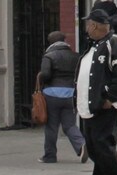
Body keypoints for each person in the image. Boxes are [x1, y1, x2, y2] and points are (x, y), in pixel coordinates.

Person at [76, 0, 117, 175]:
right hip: (89, 108)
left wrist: (110, 98)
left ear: (94, 25)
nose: (86, 28)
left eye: (88, 24)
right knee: (93, 148)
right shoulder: (93, 46)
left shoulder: (114, 43)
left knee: (104, 146)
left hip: (105, 108)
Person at [36, 31, 85, 163]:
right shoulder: (76, 56)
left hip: (52, 94)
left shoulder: (49, 56)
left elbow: (45, 74)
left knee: (51, 126)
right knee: (69, 124)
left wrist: (40, 76)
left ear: (50, 42)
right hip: (70, 94)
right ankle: (81, 145)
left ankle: (50, 156)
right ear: (64, 40)